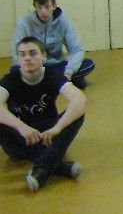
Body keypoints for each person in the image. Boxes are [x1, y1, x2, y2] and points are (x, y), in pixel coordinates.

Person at [0, 36, 86, 191]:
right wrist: (20, 126)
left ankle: (42, 168)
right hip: (21, 139)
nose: (27, 58)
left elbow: (79, 99)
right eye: (22, 54)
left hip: (48, 136)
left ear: (44, 56)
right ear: (18, 59)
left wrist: (58, 128)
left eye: (33, 53)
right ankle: (55, 166)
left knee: (78, 113)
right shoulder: (11, 79)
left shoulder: (52, 76)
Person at [11, 0, 95, 89]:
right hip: (34, 67)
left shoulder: (64, 21)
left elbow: (77, 49)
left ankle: (49, 82)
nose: (43, 12)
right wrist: (28, 71)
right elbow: (17, 53)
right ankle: (60, 82)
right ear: (34, 7)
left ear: (54, 6)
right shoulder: (23, 23)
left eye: (47, 7)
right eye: (39, 7)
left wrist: (68, 73)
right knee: (14, 71)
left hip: (58, 66)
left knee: (88, 64)